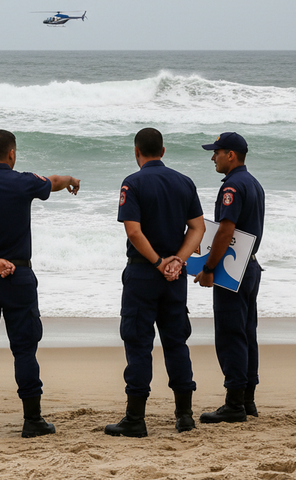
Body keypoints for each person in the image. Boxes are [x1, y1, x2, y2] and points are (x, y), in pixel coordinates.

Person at [0, 129, 80, 438]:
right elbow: (54, 181)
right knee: (24, 349)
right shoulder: (24, 182)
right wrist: (71, 179)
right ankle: (32, 420)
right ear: (12, 153)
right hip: (19, 278)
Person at [104, 128, 206, 437]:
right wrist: (178, 259)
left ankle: (135, 418)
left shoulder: (132, 183)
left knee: (138, 344)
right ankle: (185, 415)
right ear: (162, 151)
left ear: (137, 152)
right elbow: (198, 228)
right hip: (174, 277)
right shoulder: (184, 182)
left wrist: (159, 262)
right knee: (176, 343)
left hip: (143, 273)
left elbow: (134, 232)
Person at [194, 132, 265, 424]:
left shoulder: (233, 187)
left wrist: (209, 268)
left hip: (232, 270)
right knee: (247, 332)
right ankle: (247, 400)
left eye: (217, 152)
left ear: (231, 155)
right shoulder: (254, 183)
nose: (213, 157)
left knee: (230, 333)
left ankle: (234, 402)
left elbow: (226, 231)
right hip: (251, 265)